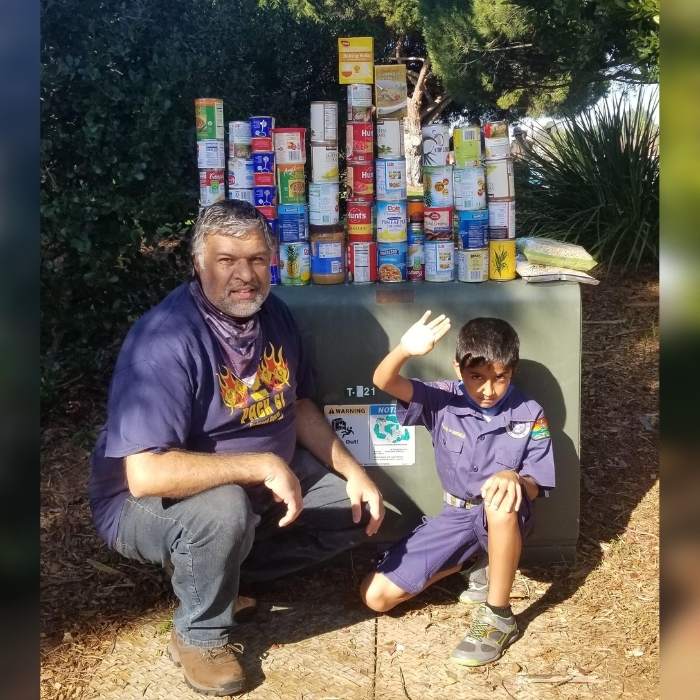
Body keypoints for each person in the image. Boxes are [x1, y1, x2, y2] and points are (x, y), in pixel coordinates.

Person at [89, 200, 386, 696]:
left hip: (257, 486)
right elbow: (145, 475)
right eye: (227, 260)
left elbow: (302, 405)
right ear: (199, 264)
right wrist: (261, 464)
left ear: (271, 260)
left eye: (255, 259)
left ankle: (216, 572)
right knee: (223, 509)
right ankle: (199, 634)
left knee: (364, 511)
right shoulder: (164, 339)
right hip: (144, 505)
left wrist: (355, 473)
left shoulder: (276, 315)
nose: (244, 275)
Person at [360, 312, 555, 666]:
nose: (487, 389)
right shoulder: (441, 399)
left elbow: (538, 482)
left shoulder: (529, 412)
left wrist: (516, 479)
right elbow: (384, 380)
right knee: (376, 597)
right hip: (455, 515)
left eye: (500, 378)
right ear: (457, 368)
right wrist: (405, 349)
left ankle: (498, 616)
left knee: (498, 501)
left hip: (505, 516)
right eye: (476, 377)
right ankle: (475, 561)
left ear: (512, 371)